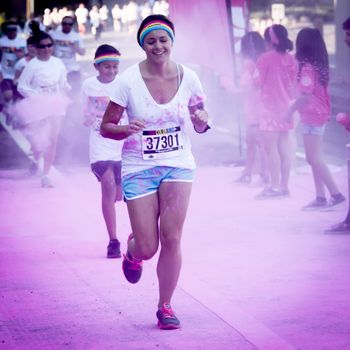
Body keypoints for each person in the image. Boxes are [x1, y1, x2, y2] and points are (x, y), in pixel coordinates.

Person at [100, 14, 210, 329]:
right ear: (142, 45)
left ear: (171, 42)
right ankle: (133, 252)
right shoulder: (128, 81)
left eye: (163, 39)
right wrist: (124, 129)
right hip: (139, 167)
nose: (158, 46)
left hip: (178, 164)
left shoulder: (189, 77)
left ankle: (166, 306)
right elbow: (106, 126)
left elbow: (200, 121)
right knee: (149, 246)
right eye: (151, 41)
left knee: (172, 237)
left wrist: (201, 122)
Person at [286, 28, 345, 210]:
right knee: (314, 158)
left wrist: (290, 110)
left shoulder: (307, 68)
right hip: (319, 114)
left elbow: (305, 95)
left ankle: (335, 194)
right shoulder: (319, 66)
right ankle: (320, 197)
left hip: (312, 115)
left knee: (314, 158)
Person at [82, 44, 126, 258]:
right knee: (107, 186)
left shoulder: (124, 84)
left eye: (115, 66)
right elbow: (85, 113)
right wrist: (87, 118)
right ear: (96, 67)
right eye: (106, 67)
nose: (111, 71)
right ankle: (113, 240)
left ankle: (138, 234)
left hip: (123, 143)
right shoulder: (88, 85)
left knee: (120, 194)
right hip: (100, 143)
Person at [16, 21, 69, 187]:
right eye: (42, 46)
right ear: (36, 48)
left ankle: (46, 175)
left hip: (55, 105)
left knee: (53, 139)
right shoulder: (32, 66)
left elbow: (63, 82)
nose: (46, 49)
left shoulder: (58, 63)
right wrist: (38, 96)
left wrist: (66, 90)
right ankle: (36, 157)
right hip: (38, 107)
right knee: (39, 143)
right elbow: (22, 86)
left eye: (49, 45)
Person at [254, 24, 297, 199]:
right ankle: (285, 187)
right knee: (283, 149)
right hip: (286, 109)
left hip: (269, 109)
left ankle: (273, 187)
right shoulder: (291, 59)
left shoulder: (264, 58)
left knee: (271, 150)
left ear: (269, 41)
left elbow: (257, 82)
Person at [235, 31, 268, 185]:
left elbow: (245, 85)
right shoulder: (264, 60)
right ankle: (258, 172)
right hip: (264, 104)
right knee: (260, 141)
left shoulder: (248, 63)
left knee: (253, 141)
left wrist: (232, 88)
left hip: (252, 106)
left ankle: (257, 173)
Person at [50, 15, 86, 92]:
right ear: (61, 24)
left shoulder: (76, 36)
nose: (67, 25)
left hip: (72, 69)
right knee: (58, 94)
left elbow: (82, 52)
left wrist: (75, 46)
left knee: (74, 93)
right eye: (65, 23)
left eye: (69, 24)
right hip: (57, 69)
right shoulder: (54, 35)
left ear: (72, 25)